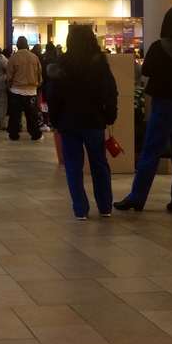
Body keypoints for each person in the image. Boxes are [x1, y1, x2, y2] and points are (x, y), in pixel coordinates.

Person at [115, 6, 172, 214]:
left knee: (151, 150)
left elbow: (146, 70)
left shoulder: (158, 47)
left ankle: (137, 197)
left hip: (164, 103)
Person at [48, 25, 118, 219]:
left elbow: (53, 94)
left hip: (68, 122)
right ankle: (105, 207)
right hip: (94, 120)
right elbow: (110, 91)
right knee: (99, 163)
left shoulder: (63, 63)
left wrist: (55, 119)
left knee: (73, 166)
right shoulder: (99, 62)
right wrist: (110, 115)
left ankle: (80, 209)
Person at [6, 36, 43, 141]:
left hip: (17, 89)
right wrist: (38, 84)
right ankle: (35, 133)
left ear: (17, 45)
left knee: (15, 114)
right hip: (31, 90)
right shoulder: (34, 57)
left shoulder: (14, 57)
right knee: (32, 115)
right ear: (27, 45)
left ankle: (14, 133)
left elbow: (9, 74)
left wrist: (9, 85)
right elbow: (39, 72)